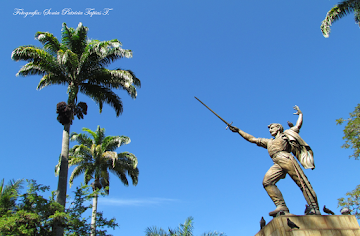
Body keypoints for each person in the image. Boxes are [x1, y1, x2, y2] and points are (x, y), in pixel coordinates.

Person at [229, 106, 320, 216]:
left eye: (272, 128)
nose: (270, 130)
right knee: (267, 182)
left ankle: (314, 207)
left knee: (302, 182)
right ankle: (282, 206)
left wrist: (301, 114)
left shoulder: (286, 135)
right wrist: (239, 131)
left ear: (278, 128)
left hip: (286, 158)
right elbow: (252, 139)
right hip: (277, 162)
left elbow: (298, 126)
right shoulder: (268, 142)